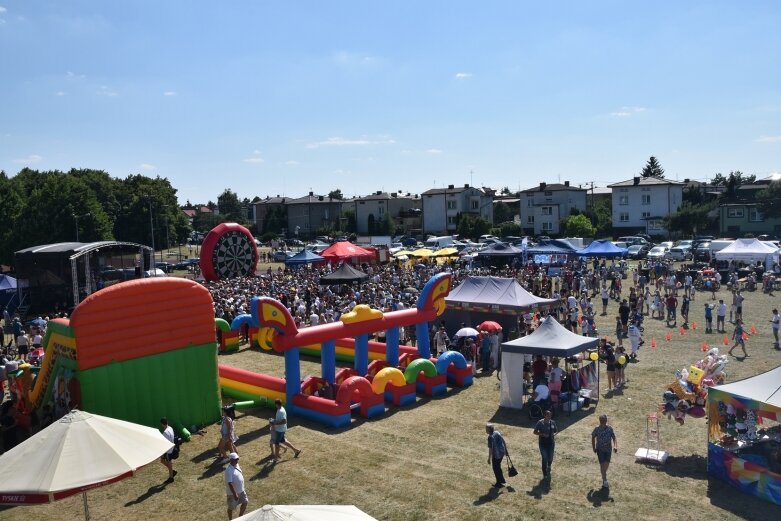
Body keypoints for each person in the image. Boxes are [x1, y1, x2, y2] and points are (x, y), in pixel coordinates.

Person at [591, 414, 618, 489]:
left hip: (608, 450)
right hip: (600, 450)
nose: (603, 421)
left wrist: (615, 446)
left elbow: (614, 437)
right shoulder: (596, 429)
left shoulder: (610, 428)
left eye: (604, 420)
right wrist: (594, 447)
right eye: (602, 420)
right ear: (600, 421)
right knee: (602, 465)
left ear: (606, 421)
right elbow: (593, 437)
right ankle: (605, 480)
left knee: (606, 465)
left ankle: (603, 476)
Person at [533, 410, 557, 479]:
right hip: (542, 444)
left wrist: (553, 434)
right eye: (548, 415)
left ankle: (549, 465)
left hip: (551, 443)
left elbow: (556, 430)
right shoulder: (540, 423)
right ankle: (545, 473)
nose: (549, 417)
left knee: (551, 457)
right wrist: (542, 434)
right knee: (544, 458)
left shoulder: (553, 422)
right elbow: (534, 432)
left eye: (550, 415)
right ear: (545, 415)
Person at [225, 452, 248, 520]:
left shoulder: (237, 465)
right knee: (231, 507)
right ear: (231, 460)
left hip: (241, 491)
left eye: (237, 459)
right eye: (235, 459)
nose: (237, 460)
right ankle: (230, 519)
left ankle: (240, 517)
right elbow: (230, 483)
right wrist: (235, 494)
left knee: (245, 502)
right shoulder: (228, 470)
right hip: (232, 494)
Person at [485, 423, 507, 488]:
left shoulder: (490, 437)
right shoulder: (497, 432)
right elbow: (503, 441)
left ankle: (498, 483)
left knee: (495, 468)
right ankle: (502, 480)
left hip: (496, 455)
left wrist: (489, 458)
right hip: (502, 452)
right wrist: (505, 450)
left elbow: (490, 449)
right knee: (498, 467)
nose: (485, 430)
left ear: (488, 430)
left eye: (486, 429)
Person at [160, 417, 177, 483]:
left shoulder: (165, 433)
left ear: (162, 424)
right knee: (162, 460)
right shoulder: (170, 428)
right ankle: (172, 471)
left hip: (168, 450)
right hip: (172, 448)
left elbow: (164, 443)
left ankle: (171, 478)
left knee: (169, 464)